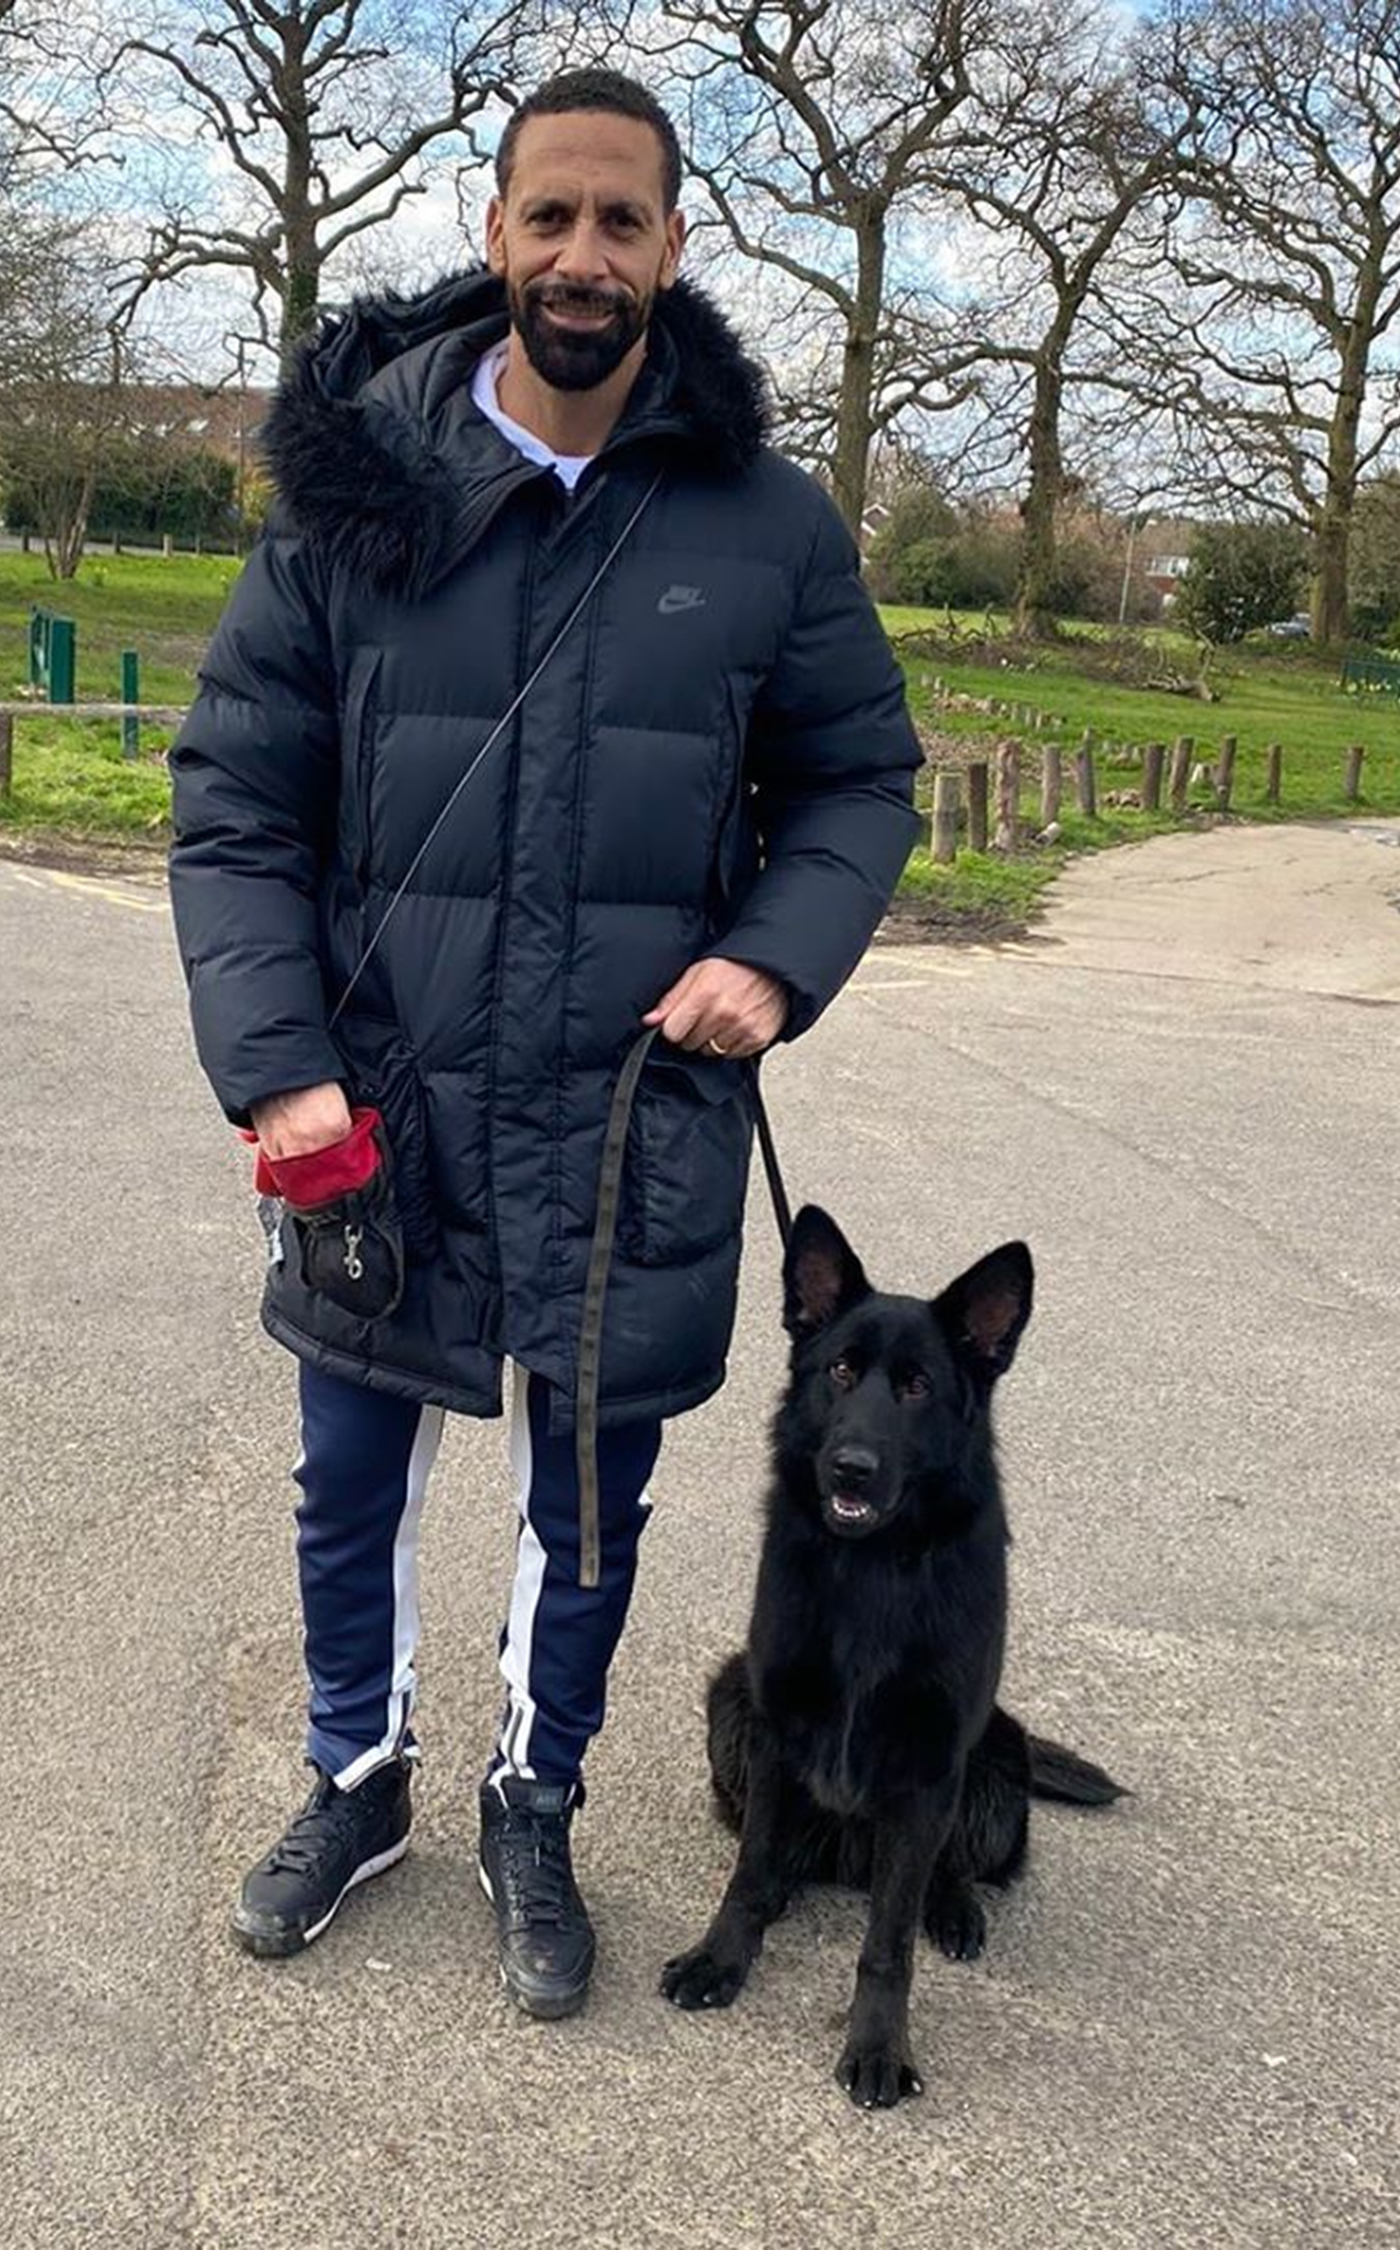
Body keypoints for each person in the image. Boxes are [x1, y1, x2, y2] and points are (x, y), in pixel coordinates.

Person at [167, 65, 922, 2020]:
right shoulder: (355, 495)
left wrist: (775, 959)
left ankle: (534, 1796)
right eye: (551, 216)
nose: (584, 254)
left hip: (630, 1121)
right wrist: (276, 1070)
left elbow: (858, 785)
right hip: (378, 1107)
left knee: (587, 1498)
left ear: (675, 248)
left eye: (623, 221)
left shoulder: (766, 527)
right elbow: (235, 805)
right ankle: (355, 1778)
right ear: (495, 232)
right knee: (353, 1476)